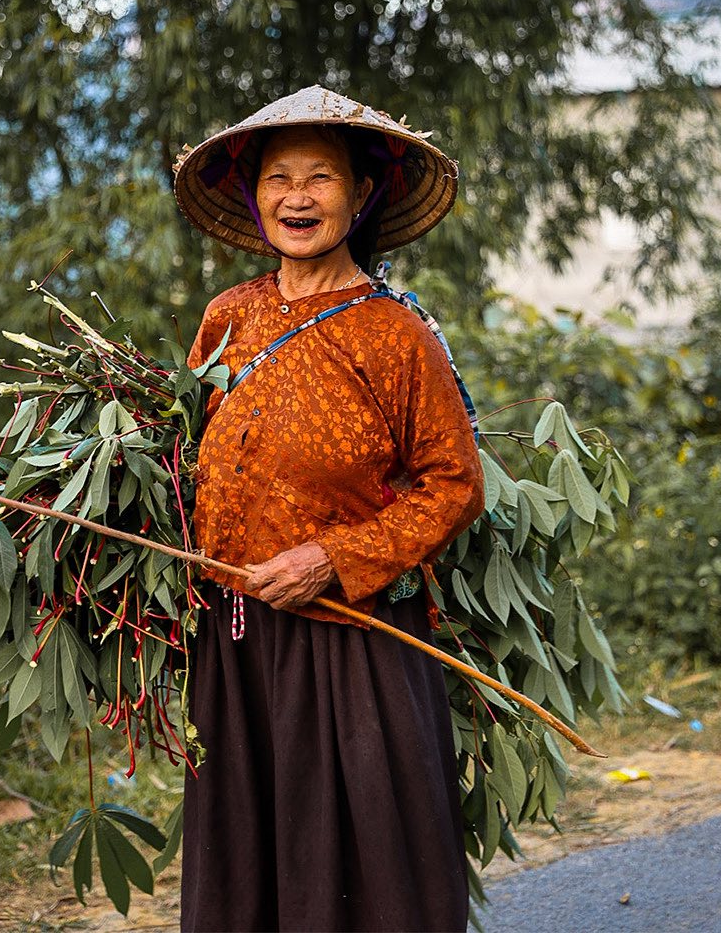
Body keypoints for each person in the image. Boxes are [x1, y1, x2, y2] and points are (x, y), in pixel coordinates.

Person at [172, 86, 485, 932]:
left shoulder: (396, 334)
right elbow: (185, 449)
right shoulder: (228, 318)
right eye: (279, 178)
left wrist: (331, 561)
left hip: (354, 643)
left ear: (361, 195)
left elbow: (453, 484)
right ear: (252, 194)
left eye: (320, 178)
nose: (297, 197)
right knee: (246, 865)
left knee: (367, 870)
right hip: (237, 639)